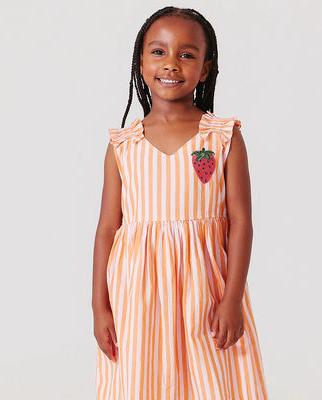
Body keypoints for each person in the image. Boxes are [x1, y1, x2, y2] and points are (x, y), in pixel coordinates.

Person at [92, 6, 269, 400]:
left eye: (186, 54)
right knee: (141, 378)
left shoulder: (222, 138)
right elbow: (107, 228)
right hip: (137, 293)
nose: (171, 63)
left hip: (205, 291)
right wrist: (99, 306)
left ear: (205, 69)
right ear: (140, 63)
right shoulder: (123, 146)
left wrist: (232, 300)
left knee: (211, 379)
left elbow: (241, 221)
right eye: (158, 52)